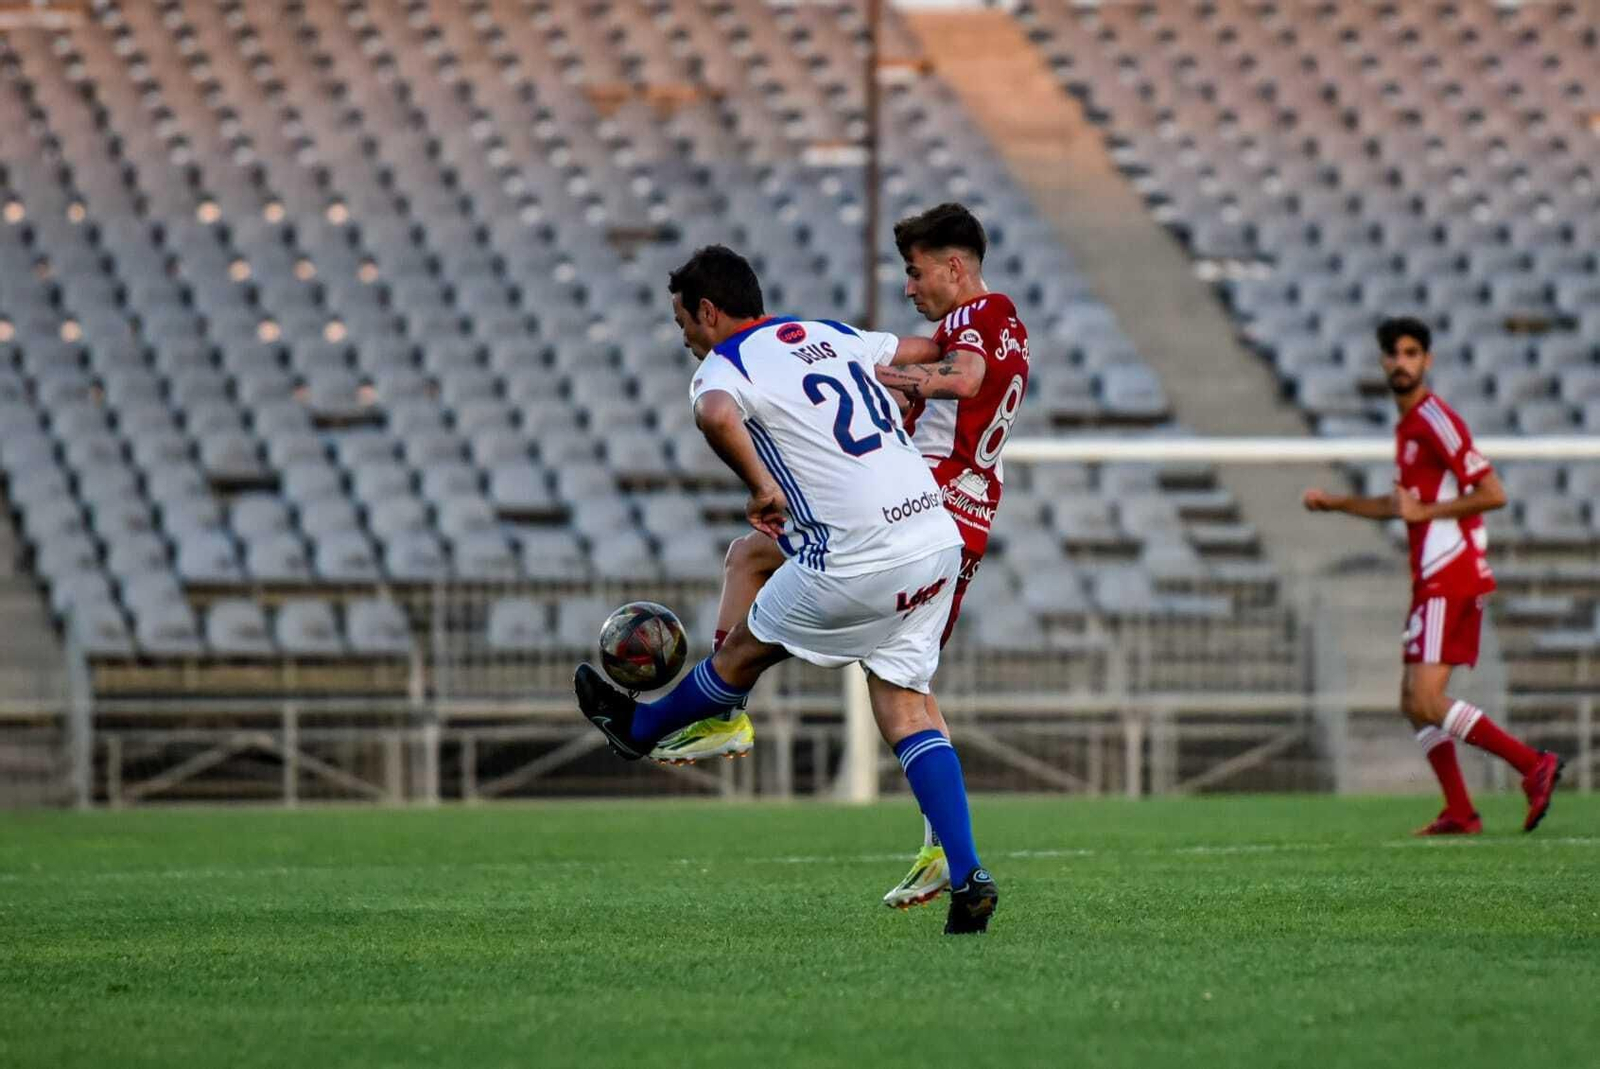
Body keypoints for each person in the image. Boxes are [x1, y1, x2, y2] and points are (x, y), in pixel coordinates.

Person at [573, 244, 999, 934]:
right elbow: (927, 346)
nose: (683, 336)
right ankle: (968, 872)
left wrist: (760, 483)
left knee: (743, 650)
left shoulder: (724, 364)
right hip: (933, 539)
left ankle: (640, 725)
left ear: (710, 312)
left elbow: (716, 416)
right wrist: (980, 337)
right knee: (905, 706)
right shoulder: (827, 332)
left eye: (684, 321)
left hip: (857, 554)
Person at [1302, 316, 1563, 834]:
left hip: (1451, 573)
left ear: (1427, 361)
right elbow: (1404, 505)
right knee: (1411, 702)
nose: (1401, 362)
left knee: (1425, 698)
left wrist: (1424, 516)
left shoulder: (1435, 420)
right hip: (1433, 576)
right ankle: (1461, 812)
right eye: (1393, 353)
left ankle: (1531, 765)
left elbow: (1493, 492)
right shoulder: (1408, 428)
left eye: (1411, 353)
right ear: (1383, 361)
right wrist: (1337, 503)